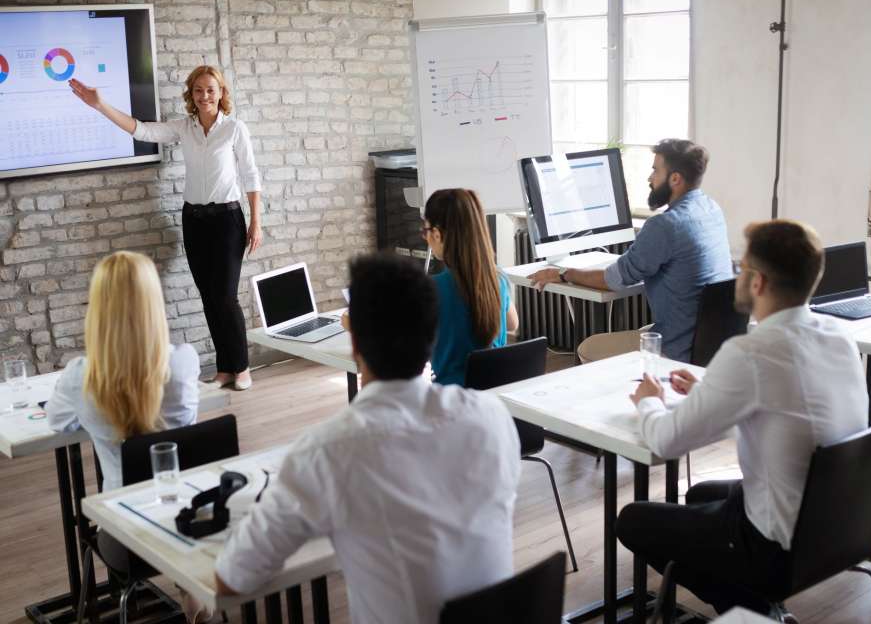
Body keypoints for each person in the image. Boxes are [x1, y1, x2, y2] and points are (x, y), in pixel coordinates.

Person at [214, 254, 521, 624]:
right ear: (433, 334)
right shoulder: (491, 417)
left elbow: (234, 578)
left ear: (355, 343)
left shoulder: (326, 452)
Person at [617, 220, 868, 618]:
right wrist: (709, 394)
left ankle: (756, 612)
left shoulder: (751, 352)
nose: (735, 271)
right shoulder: (839, 338)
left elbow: (665, 442)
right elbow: (787, 412)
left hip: (777, 547)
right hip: (836, 525)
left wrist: (649, 401)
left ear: (758, 282)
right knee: (701, 495)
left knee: (632, 520)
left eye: (741, 265)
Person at [69, 66, 261, 391]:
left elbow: (251, 175)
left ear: (221, 93)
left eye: (210, 90)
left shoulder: (234, 129)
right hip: (194, 221)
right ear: (191, 94)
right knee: (209, 298)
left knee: (226, 297)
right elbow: (141, 131)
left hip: (228, 220)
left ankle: (242, 368)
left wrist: (256, 221)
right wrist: (100, 105)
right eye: (198, 90)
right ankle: (225, 369)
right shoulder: (184, 128)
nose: (204, 96)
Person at [528, 139, 732, 362]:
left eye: (655, 170)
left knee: (588, 347)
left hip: (675, 347)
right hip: (710, 342)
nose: (650, 178)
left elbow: (612, 280)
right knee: (645, 328)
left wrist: (562, 274)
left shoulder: (665, 225)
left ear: (675, 179)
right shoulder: (711, 209)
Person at [46, 251, 200, 491]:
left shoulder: (79, 376)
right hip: (181, 501)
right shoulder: (183, 361)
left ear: (98, 307)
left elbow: (57, 421)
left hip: (119, 512)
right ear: (154, 301)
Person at [421, 188, 519, 385]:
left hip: (451, 403)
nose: (426, 237)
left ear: (438, 234)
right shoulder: (498, 277)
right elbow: (512, 325)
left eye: (426, 230)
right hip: (495, 399)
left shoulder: (432, 289)